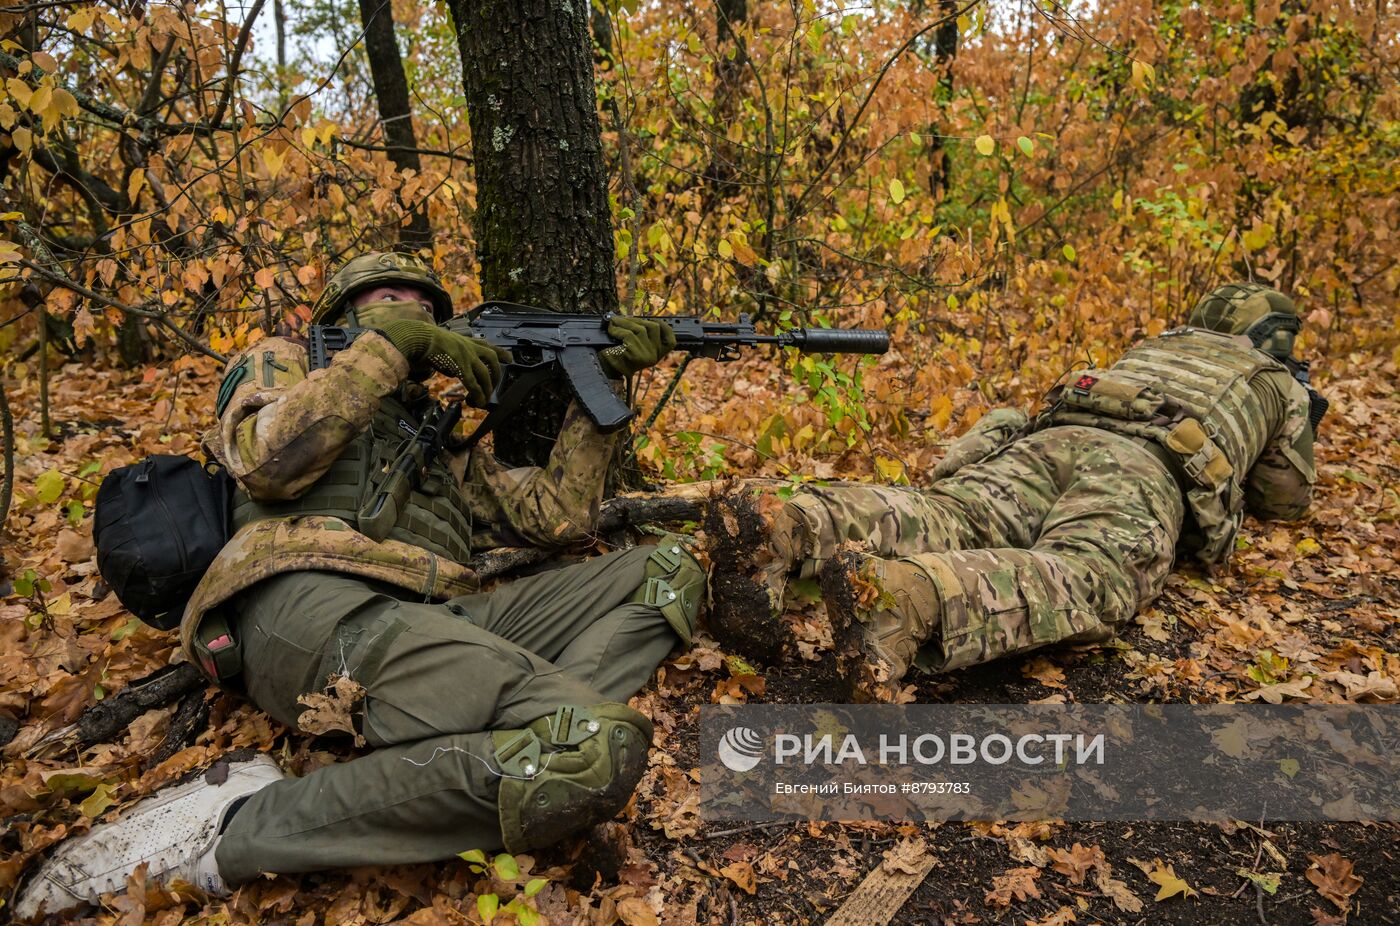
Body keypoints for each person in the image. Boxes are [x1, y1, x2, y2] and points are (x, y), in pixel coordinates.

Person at [16, 252, 705, 918]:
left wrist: (603, 389)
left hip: (444, 614)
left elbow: (555, 516)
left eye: (427, 307)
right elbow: (264, 460)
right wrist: (387, 351)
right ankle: (239, 828)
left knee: (666, 569)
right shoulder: (285, 361)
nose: (415, 310)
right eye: (390, 299)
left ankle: (532, 723)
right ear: (344, 313)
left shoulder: (435, 432)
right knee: (588, 750)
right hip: (305, 597)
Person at [706, 283, 1323, 702]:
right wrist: (1303, 409)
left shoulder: (1157, 345)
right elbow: (1282, 499)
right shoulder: (1274, 383)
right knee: (1092, 573)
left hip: (1049, 439)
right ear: (1277, 338)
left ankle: (787, 527)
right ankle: (904, 600)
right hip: (1145, 467)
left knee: (953, 512)